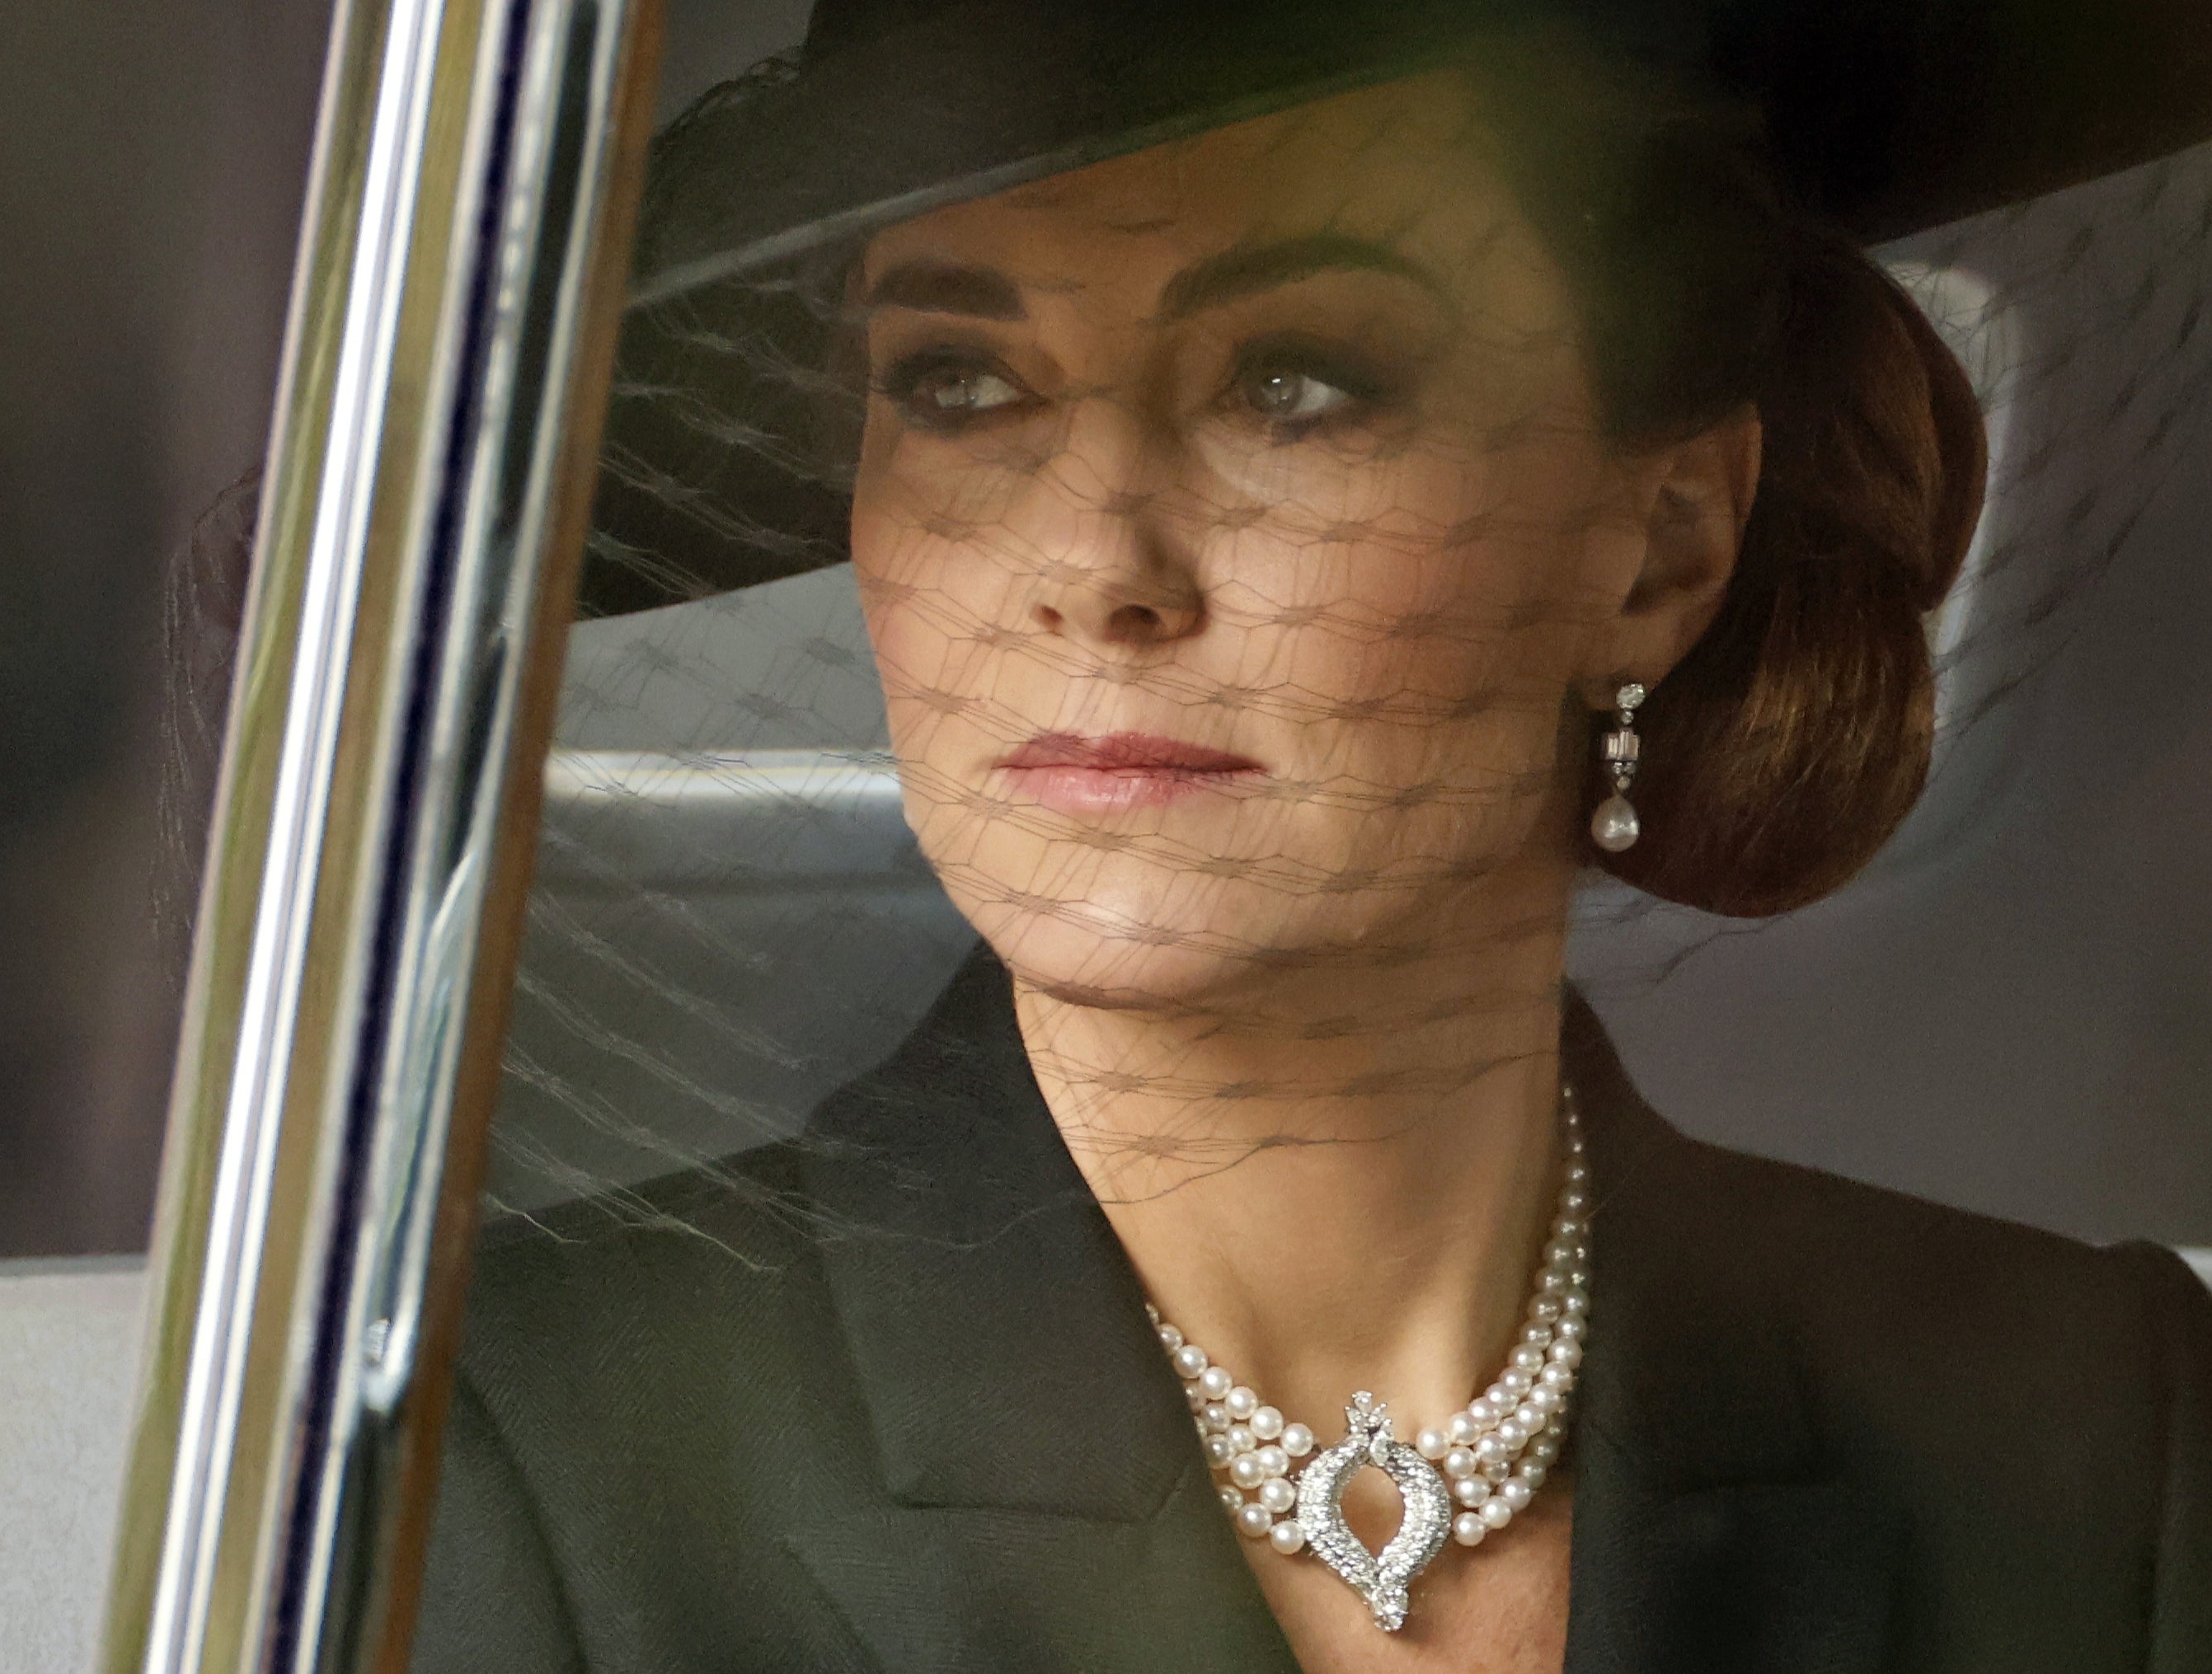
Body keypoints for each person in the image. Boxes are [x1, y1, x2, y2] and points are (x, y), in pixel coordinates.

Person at [411, 3, 2212, 1669]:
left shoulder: (2102, 1428)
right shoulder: (488, 1454)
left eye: (1296, 380)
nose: (1099, 568)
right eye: (959, 383)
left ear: (1658, 546)